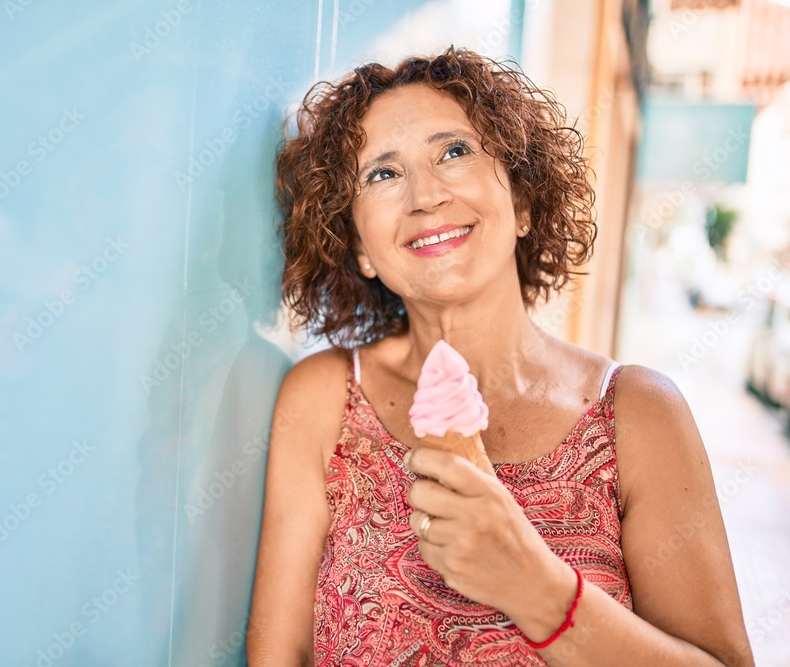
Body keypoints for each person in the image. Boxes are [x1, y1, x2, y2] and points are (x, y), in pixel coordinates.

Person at [246, 47, 754, 666]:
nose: (425, 196)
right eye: (382, 173)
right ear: (359, 248)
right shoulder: (322, 398)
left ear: (524, 203)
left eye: (453, 152)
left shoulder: (638, 414)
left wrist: (535, 587)